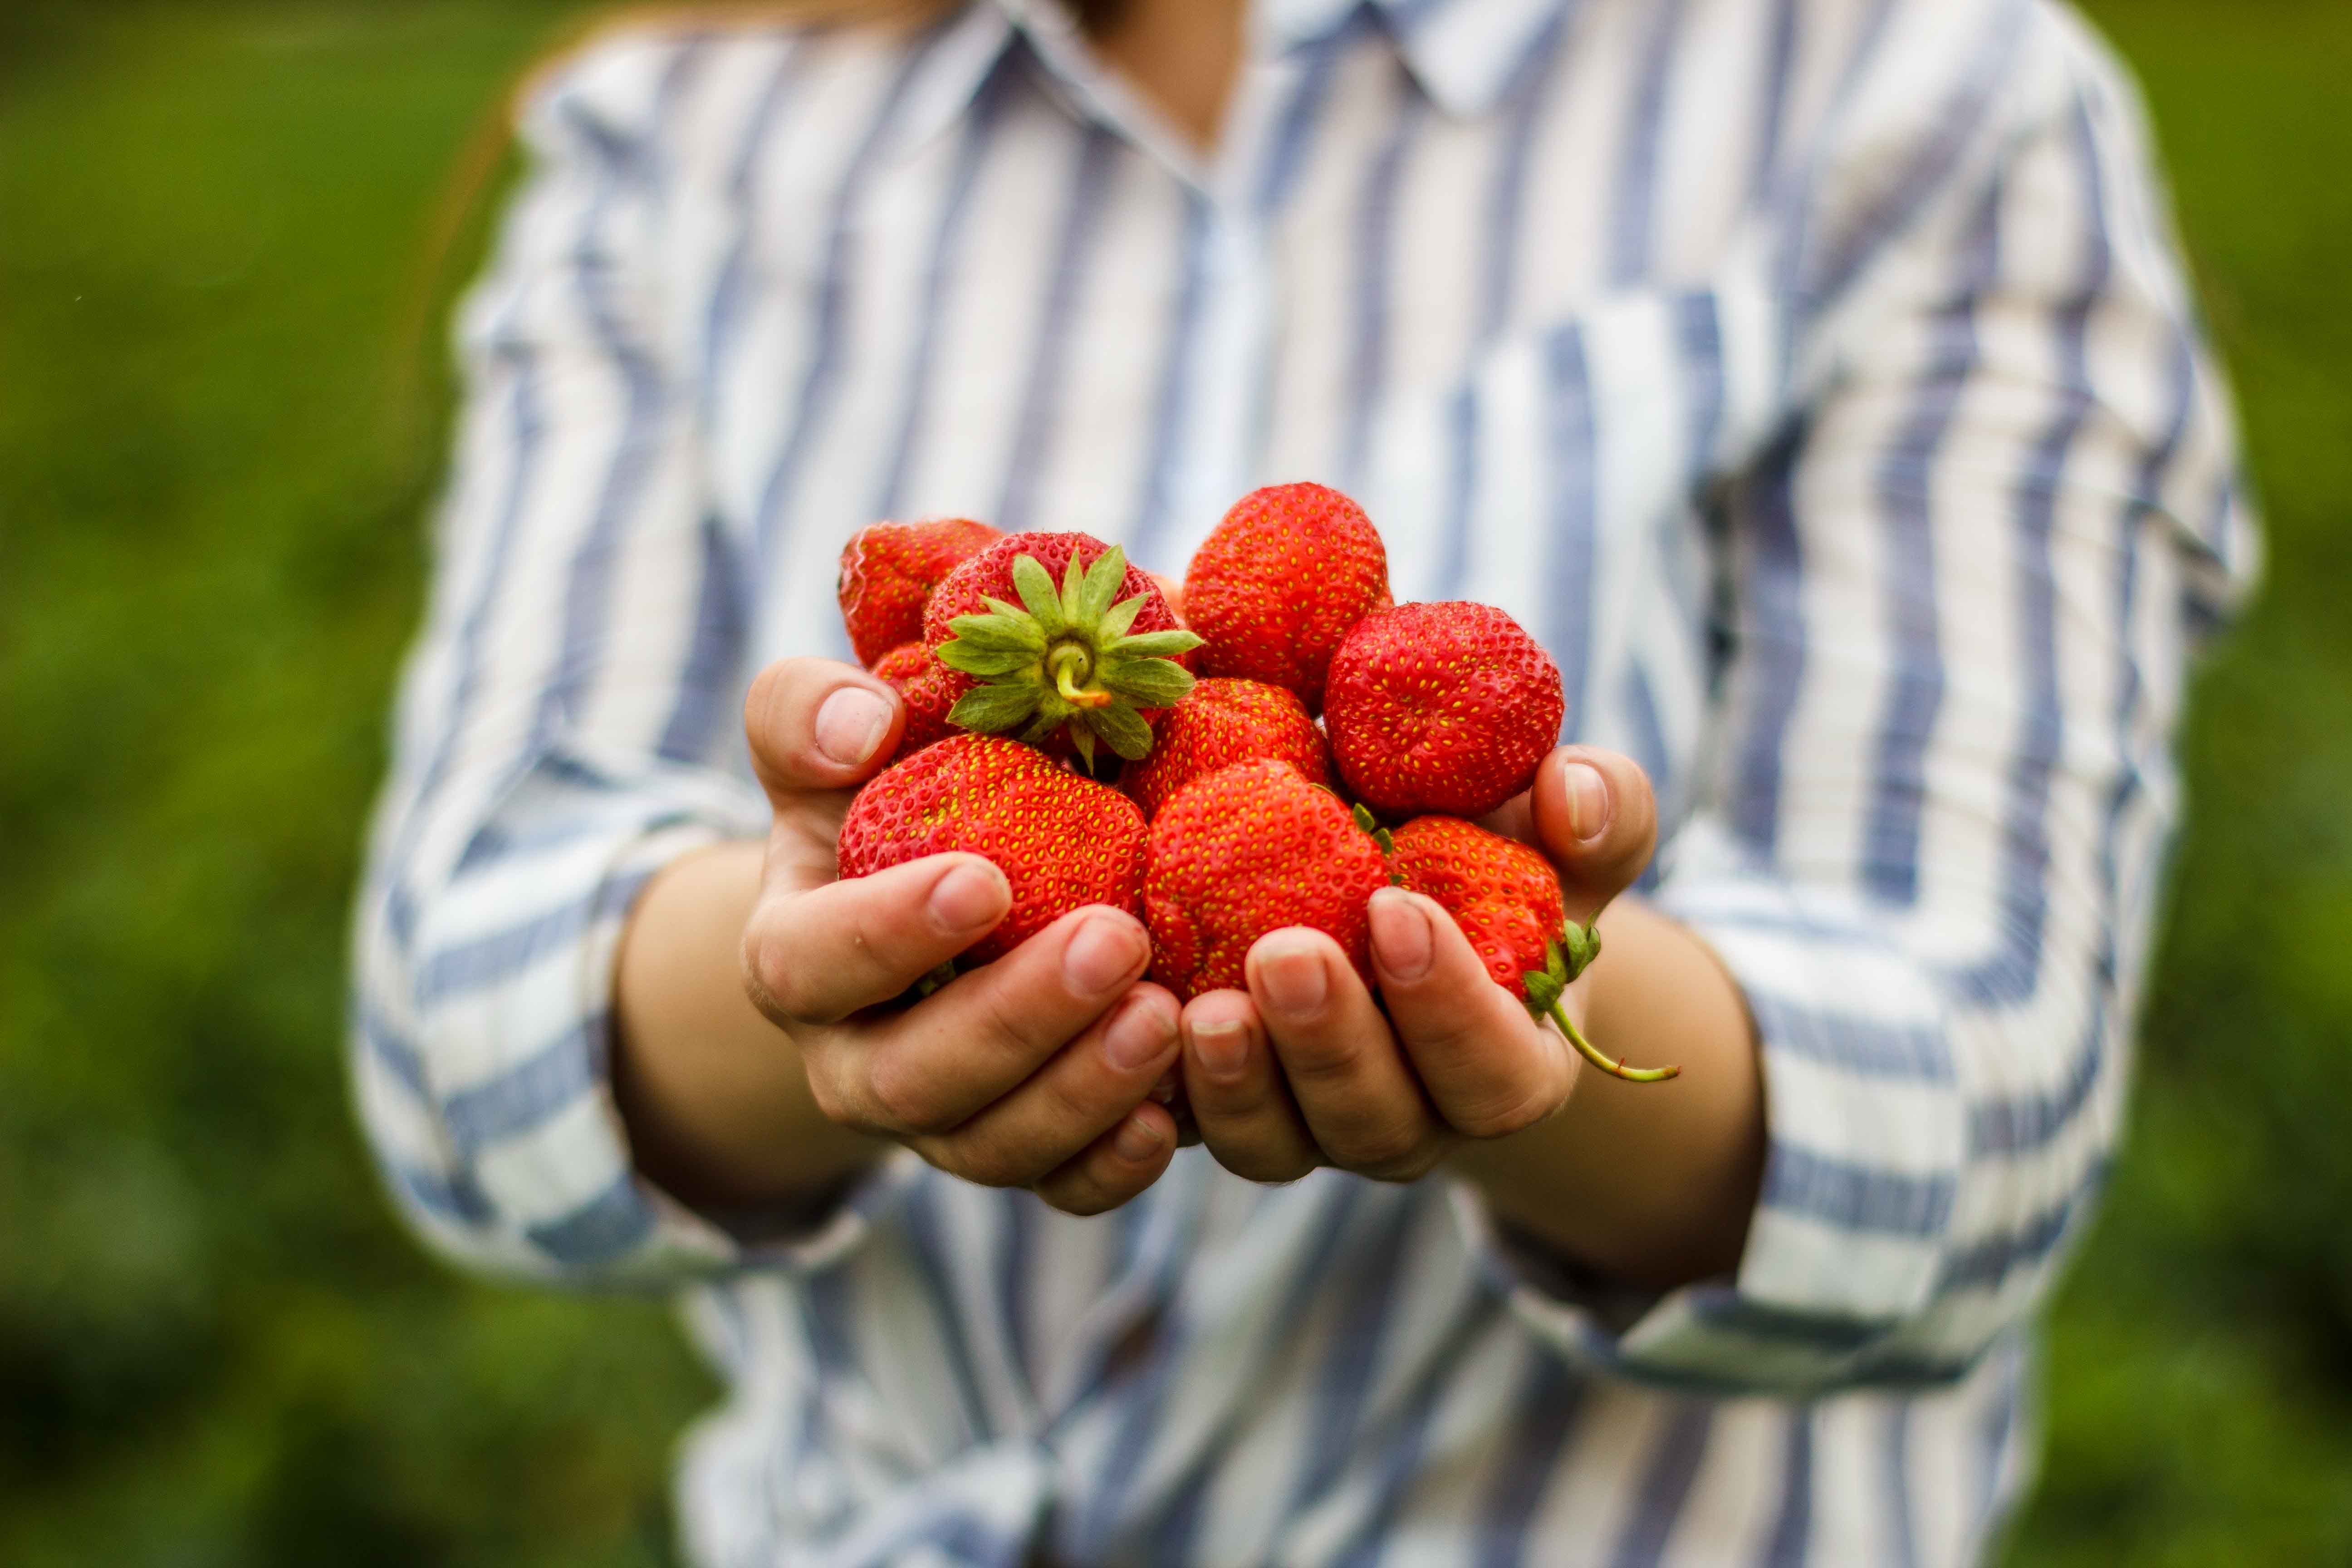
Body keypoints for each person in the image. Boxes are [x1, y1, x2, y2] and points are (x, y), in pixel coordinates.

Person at [351, 0, 2254, 1560]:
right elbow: (454, 1040)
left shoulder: (1911, 88)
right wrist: (828, 961)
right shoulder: (686, 130)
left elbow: (1985, 1111)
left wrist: (1503, 976)